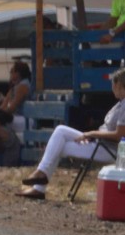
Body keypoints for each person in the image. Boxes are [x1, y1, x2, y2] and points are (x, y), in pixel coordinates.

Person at [17, 67, 125, 200]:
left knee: (59, 139)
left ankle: (39, 183)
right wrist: (93, 135)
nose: (112, 88)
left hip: (108, 149)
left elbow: (120, 136)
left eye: (113, 84)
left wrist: (92, 134)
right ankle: (40, 180)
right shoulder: (121, 103)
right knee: (59, 137)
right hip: (101, 143)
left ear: (119, 85)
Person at [0, 60, 31, 131]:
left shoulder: (23, 85)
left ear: (18, 73)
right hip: (16, 117)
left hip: (24, 118)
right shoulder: (15, 86)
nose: (10, 73)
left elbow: (12, 108)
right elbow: (3, 106)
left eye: (12, 71)